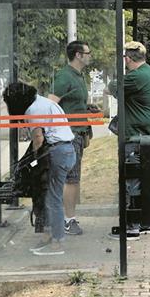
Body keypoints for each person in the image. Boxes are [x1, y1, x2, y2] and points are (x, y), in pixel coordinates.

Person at [3, 82, 76, 256]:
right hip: (67, 150)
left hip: (57, 152)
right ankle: (49, 236)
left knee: (52, 198)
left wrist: (35, 160)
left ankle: (57, 243)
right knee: (52, 196)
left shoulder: (32, 111)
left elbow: (38, 138)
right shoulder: (42, 102)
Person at [107, 41, 150, 238]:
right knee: (145, 179)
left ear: (128, 59)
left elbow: (113, 86)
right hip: (148, 135)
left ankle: (132, 225)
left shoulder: (137, 76)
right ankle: (147, 222)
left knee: (132, 179)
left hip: (138, 135)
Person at [48, 40, 94, 236]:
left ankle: (68, 218)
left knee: (74, 178)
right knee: (71, 179)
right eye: (88, 52)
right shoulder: (65, 76)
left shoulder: (78, 76)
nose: (90, 55)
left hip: (78, 133)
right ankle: (68, 220)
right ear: (78, 55)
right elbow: (51, 104)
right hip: (69, 135)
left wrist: (86, 110)